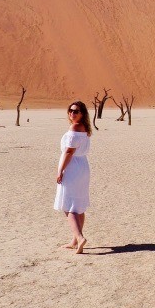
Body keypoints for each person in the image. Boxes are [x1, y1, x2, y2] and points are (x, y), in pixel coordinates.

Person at [55, 100, 92, 253]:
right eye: (70, 110)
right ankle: (75, 240)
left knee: (68, 205)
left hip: (72, 168)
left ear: (82, 114)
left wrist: (61, 171)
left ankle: (79, 237)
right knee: (78, 206)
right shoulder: (84, 128)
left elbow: (69, 152)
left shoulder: (74, 127)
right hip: (82, 167)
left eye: (76, 111)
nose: (72, 113)